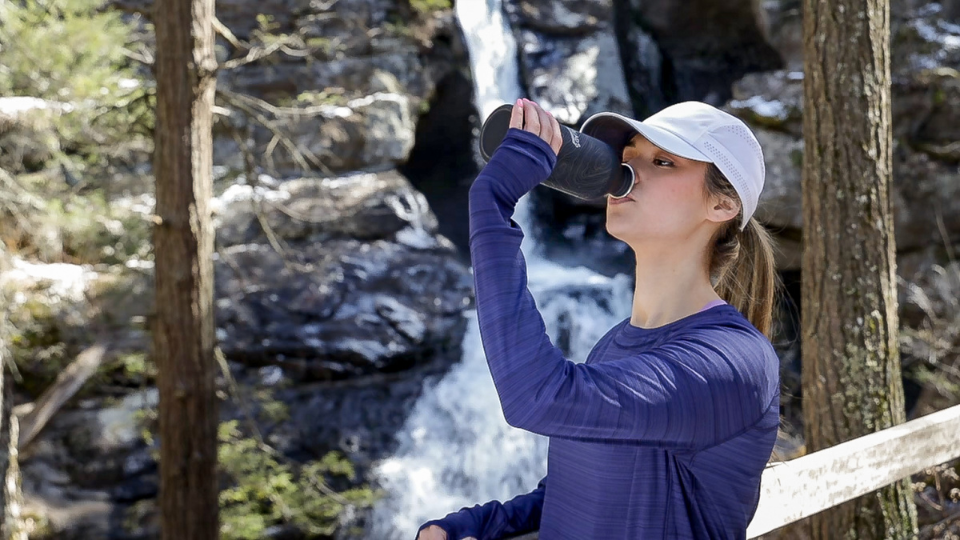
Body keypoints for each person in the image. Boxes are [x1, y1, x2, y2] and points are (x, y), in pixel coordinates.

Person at [415, 98, 781, 540]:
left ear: (722, 206)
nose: (627, 174)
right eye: (626, 160)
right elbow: (577, 491)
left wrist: (492, 205)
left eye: (663, 161)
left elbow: (538, 397)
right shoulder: (612, 344)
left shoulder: (733, 361)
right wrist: (481, 524)